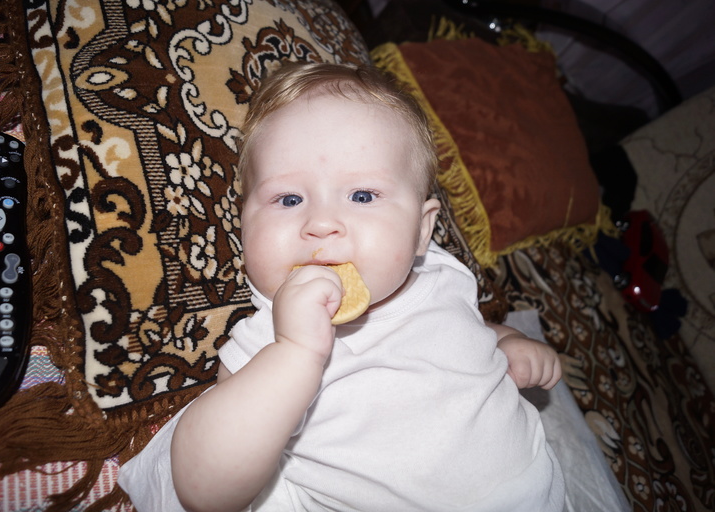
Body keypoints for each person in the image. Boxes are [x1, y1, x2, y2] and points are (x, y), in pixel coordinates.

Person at [118, 62, 565, 511]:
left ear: (422, 230)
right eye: (289, 199)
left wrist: (509, 342)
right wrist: (297, 353)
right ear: (243, 226)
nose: (322, 223)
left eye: (362, 196)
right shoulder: (271, 340)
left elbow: (466, 333)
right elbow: (204, 489)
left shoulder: (444, 276)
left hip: (536, 490)